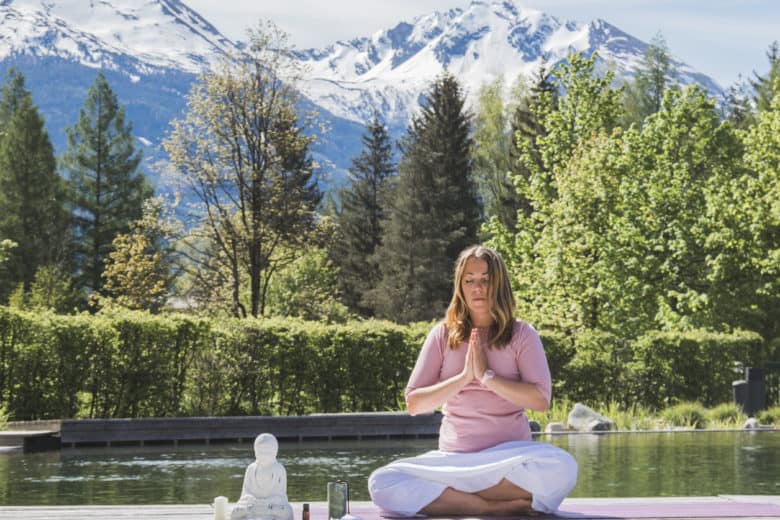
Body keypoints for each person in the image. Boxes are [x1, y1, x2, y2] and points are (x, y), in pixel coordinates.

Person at [368, 245, 578, 516]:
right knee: (382, 483)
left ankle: (456, 500)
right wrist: (464, 377)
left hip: (510, 459)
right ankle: (492, 508)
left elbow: (540, 400)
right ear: (460, 285)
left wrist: (487, 377)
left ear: (498, 284)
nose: (477, 288)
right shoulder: (442, 335)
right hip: (454, 462)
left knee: (563, 467)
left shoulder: (522, 334)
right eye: (469, 280)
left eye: (485, 280)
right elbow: (414, 404)